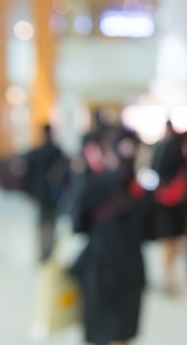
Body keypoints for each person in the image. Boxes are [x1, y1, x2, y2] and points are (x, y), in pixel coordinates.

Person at [71, 131, 148, 345]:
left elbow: (77, 224)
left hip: (100, 262)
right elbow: (150, 230)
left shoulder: (92, 184)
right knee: (124, 330)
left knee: (100, 327)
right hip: (131, 264)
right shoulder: (141, 188)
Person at [151, 121, 187, 294]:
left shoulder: (166, 149)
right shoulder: (179, 153)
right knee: (170, 240)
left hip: (171, 203)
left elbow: (155, 170)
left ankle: (169, 277)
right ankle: (168, 278)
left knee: (172, 240)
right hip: (172, 203)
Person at [22, 125, 69, 262]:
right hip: (52, 194)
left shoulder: (37, 153)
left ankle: (45, 250)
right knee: (51, 221)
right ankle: (48, 251)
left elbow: (27, 175)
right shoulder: (57, 152)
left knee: (44, 222)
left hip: (41, 193)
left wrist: (29, 191)